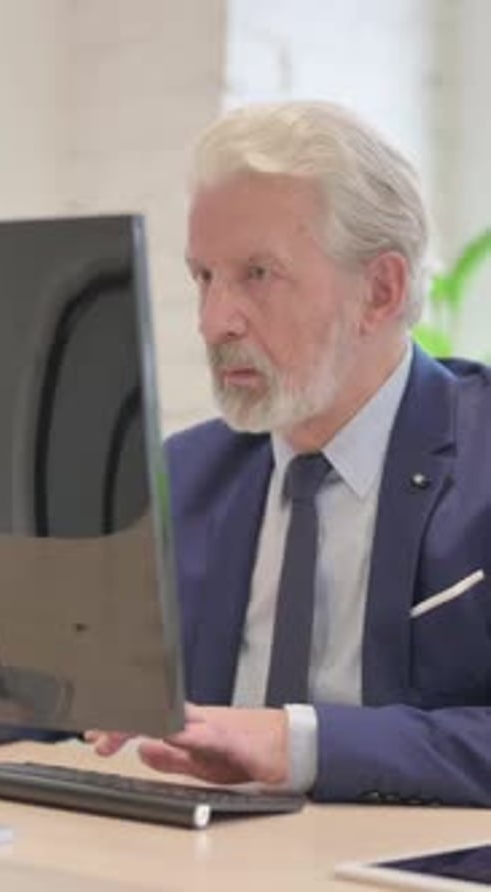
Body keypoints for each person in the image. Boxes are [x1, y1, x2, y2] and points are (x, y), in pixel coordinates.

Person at [88, 101, 491, 806]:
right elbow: (59, 704)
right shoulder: (181, 478)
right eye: (203, 277)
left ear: (381, 291)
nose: (214, 322)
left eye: (257, 274)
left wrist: (295, 743)